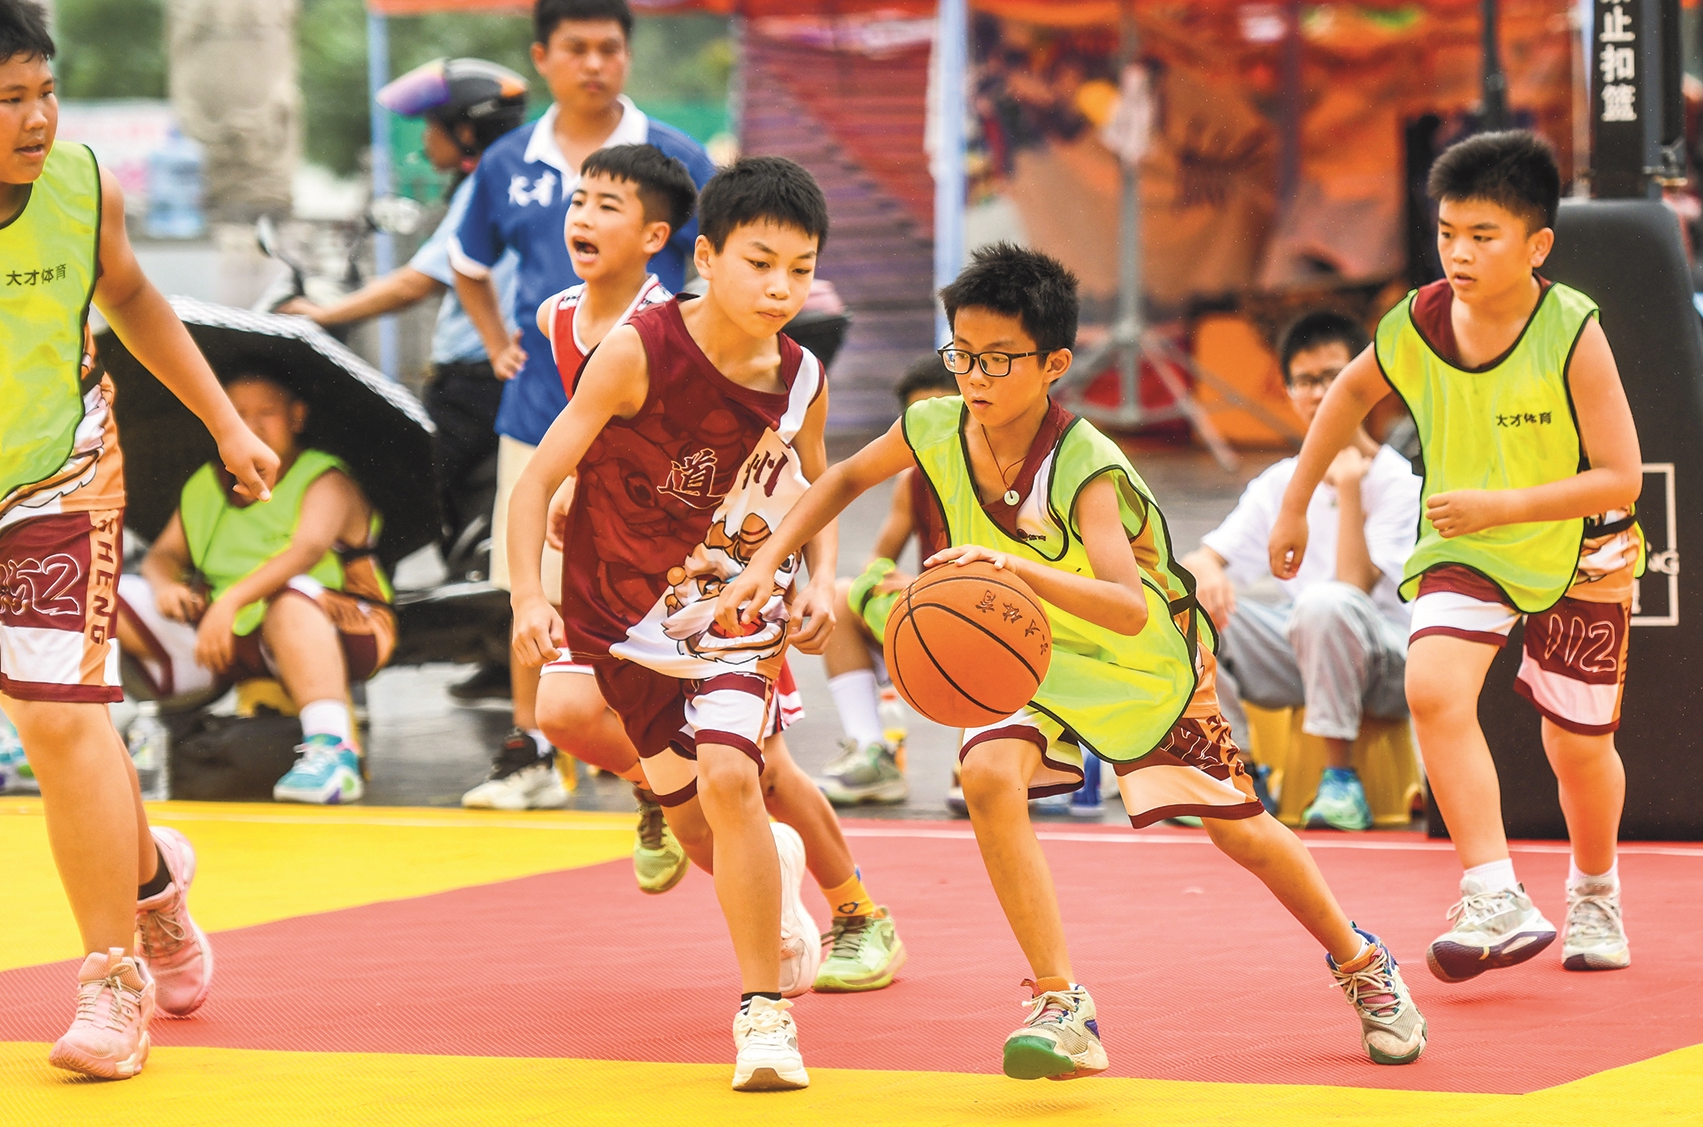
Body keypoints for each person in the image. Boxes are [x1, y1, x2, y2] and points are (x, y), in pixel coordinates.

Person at [720, 243, 1429, 1079]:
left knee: (1241, 830)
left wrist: (1012, 569)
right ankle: (1062, 1003)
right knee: (986, 777)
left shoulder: (1086, 462)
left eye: (998, 360)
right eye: (962, 355)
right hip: (1028, 654)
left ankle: (1362, 962)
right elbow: (840, 480)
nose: (975, 377)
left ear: (1054, 363)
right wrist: (770, 563)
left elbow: (1127, 605)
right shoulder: (936, 426)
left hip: (1141, 663)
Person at [0, 0, 280, 1077]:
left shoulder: (82, 191)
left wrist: (226, 424)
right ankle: (154, 886)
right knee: (57, 727)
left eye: (47, 92)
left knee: (57, 716)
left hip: (63, 480)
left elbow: (132, 298)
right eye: (10, 99)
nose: (39, 118)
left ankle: (111, 981)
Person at [530, 144, 906, 995]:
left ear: (659, 236)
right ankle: (674, 799)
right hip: (621, 585)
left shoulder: (751, 346)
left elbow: (816, 483)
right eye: (581, 200)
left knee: (757, 772)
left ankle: (856, 911)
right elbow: (581, 444)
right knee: (568, 712)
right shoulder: (562, 319)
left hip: (727, 587)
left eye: (610, 206)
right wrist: (576, 491)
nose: (587, 218)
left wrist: (815, 580)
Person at [1269, 131, 1644, 980]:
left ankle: (1595, 890)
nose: (1459, 253)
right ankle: (1494, 894)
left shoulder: (1572, 329)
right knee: (1433, 688)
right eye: (1446, 233)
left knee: (1575, 747)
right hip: (1466, 544)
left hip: (1581, 547)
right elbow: (1349, 394)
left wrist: (1502, 505)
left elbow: (1621, 475)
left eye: (1483, 235)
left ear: (1536, 245)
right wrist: (1294, 504)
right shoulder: (1419, 321)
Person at [509, 156, 836, 1091]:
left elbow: (817, 487)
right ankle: (768, 877)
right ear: (706, 256)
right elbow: (536, 481)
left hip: (733, 605)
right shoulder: (636, 352)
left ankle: (763, 1015)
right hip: (619, 621)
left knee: (734, 775)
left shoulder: (801, 376)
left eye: (801, 270)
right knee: (695, 828)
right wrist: (530, 596)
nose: (780, 289)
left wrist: (821, 578)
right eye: (760, 264)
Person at [450, 0, 716, 811]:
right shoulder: (507, 161)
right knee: (528, 583)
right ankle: (534, 751)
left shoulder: (676, 155)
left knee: (653, 594)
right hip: (540, 410)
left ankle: (659, 752)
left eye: (609, 48)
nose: (594, 63)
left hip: (651, 431)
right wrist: (496, 341)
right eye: (576, 49)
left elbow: (723, 266)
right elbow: (465, 262)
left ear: (628, 55)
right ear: (542, 58)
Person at [281, 58, 527, 604]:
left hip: (478, 383)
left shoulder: (489, 184)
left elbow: (421, 280)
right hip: (487, 378)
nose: (425, 138)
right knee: (444, 493)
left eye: (433, 125)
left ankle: (365, 605)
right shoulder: (515, 180)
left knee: (396, 485)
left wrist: (327, 313)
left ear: (467, 131)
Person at [1179, 310, 1422, 830]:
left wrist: (1350, 488)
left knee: (1325, 604)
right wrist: (1208, 572)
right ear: (1289, 392)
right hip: (1302, 651)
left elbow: (1353, 589)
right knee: (1185, 606)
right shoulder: (1280, 484)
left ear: (1363, 386)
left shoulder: (1398, 482)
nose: (1320, 393)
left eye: (1334, 377)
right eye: (1306, 381)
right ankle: (1239, 768)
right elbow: (1204, 557)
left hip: (1387, 664)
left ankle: (1341, 780)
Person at [115, 365, 398, 806]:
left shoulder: (326, 478)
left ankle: (333, 752)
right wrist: (166, 584)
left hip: (339, 626)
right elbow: (162, 556)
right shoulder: (207, 483)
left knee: (292, 598)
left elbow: (305, 550)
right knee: (104, 597)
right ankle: (63, 736)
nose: (252, 424)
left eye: (267, 412)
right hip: (228, 637)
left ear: (297, 416)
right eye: (237, 413)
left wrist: (229, 602)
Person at [816, 354, 954, 805]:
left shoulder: (1007, 475)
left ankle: (1045, 752)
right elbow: (878, 561)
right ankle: (872, 752)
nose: (933, 429)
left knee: (980, 788)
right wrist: (885, 583)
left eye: (945, 413)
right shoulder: (912, 481)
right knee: (841, 598)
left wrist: (924, 590)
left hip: (1002, 624)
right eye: (920, 419)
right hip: (937, 618)